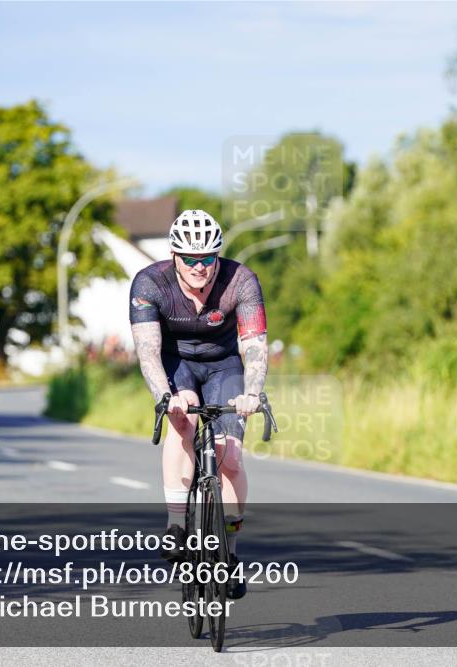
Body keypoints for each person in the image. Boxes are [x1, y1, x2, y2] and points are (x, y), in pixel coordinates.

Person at [129, 209, 269, 600]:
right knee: (183, 417)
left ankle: (231, 553)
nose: (199, 267)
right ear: (174, 255)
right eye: (189, 259)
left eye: (207, 258)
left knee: (232, 455)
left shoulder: (241, 281)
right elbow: (148, 354)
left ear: (217, 256)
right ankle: (176, 524)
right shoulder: (149, 283)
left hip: (225, 366)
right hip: (178, 366)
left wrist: (252, 393)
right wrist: (165, 397)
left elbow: (254, 346)